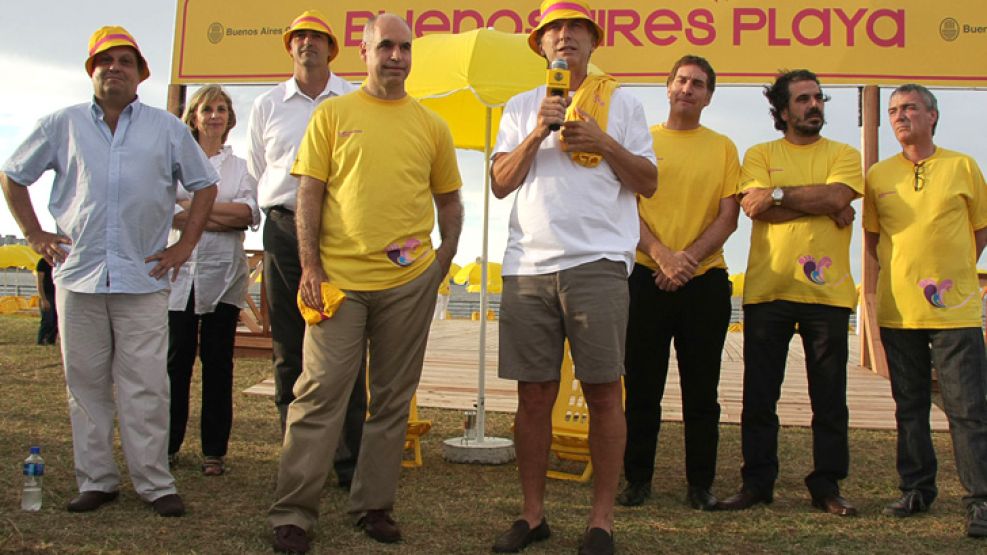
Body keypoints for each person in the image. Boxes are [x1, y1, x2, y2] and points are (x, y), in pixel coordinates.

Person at [0, 26, 218, 517]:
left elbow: (205, 184)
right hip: (78, 276)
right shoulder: (62, 124)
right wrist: (35, 235)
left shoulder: (166, 129)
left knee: (146, 383)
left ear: (141, 73)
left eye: (124, 61)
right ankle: (96, 480)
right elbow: (13, 176)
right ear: (90, 72)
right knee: (86, 383)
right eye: (104, 61)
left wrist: (185, 244)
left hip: (142, 278)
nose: (113, 68)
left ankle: (154, 483)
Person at [267, 14, 463, 553]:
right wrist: (311, 267)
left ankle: (373, 505)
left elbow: (449, 199)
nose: (396, 57)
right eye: (386, 47)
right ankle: (294, 512)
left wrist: (443, 257)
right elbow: (308, 194)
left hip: (408, 284)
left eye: (404, 48)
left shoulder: (431, 124)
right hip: (339, 283)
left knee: (392, 399)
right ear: (364, 50)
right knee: (318, 392)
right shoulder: (333, 114)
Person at [489, 1, 657, 553]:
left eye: (575, 29)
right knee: (533, 396)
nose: (564, 38)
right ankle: (532, 516)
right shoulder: (519, 107)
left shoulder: (624, 103)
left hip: (599, 264)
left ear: (593, 41)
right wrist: (539, 131)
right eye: (553, 31)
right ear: (540, 46)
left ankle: (600, 522)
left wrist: (603, 143)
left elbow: (649, 182)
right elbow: (499, 183)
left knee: (605, 392)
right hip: (528, 268)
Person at [718, 70, 861, 517]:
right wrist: (818, 204)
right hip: (769, 289)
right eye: (802, 99)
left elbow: (839, 195)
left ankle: (827, 485)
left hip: (830, 297)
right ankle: (758, 483)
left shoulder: (845, 154)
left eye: (818, 98)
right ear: (782, 110)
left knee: (830, 399)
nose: (813, 105)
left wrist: (781, 196)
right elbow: (756, 208)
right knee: (760, 396)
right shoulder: (760, 153)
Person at [246, 9, 365, 488]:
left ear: (332, 50)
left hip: (341, 231)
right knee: (288, 349)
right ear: (289, 47)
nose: (307, 44)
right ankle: (296, 463)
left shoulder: (356, 99)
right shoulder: (267, 105)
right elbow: (260, 172)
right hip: (283, 229)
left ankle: (350, 464)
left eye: (317, 38)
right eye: (299, 38)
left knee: (347, 347)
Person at [863, 84, 987, 537]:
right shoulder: (878, 176)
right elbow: (874, 239)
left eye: (910, 108)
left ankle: (980, 500)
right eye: (894, 110)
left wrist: (951, 273)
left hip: (955, 313)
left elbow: (980, 229)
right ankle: (916, 488)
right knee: (909, 406)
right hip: (899, 312)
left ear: (932, 116)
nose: (901, 116)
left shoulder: (963, 166)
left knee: (968, 409)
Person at [618, 55, 739, 511]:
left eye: (699, 84)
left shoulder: (724, 147)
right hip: (646, 278)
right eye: (682, 81)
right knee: (643, 389)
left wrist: (686, 260)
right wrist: (663, 257)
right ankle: (637, 481)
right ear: (667, 87)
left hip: (705, 282)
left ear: (709, 96)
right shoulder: (641, 141)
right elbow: (625, 207)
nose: (689, 89)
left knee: (702, 391)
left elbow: (728, 216)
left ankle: (700, 485)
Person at [167, 85, 259, 476]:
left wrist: (196, 208)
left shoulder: (240, 168)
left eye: (221, 109)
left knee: (218, 363)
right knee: (175, 362)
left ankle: (214, 451)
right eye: (207, 109)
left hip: (223, 275)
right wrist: (218, 212)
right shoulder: (173, 162)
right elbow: (166, 211)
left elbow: (248, 215)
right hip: (178, 274)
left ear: (230, 118)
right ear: (194, 116)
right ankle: (166, 446)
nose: (214, 116)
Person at [35, 256, 57, 345]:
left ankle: (51, 340)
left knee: (57, 320)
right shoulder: (43, 262)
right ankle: (41, 340)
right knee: (48, 319)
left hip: (57, 293)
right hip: (47, 294)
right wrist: (43, 299)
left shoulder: (59, 260)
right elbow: (39, 282)